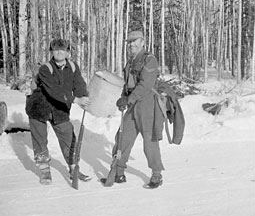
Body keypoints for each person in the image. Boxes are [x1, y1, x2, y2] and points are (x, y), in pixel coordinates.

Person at [102, 30, 165, 189]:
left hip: (147, 104)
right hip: (132, 104)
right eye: (129, 42)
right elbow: (127, 84)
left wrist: (128, 99)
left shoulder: (149, 60)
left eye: (134, 41)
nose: (131, 44)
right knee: (122, 138)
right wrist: (123, 97)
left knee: (150, 141)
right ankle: (118, 172)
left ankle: (156, 174)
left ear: (143, 42)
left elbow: (145, 85)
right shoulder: (130, 62)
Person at [25, 39, 91, 185]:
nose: (60, 52)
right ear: (51, 52)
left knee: (69, 138)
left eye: (63, 49)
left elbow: (79, 84)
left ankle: (74, 168)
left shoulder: (73, 67)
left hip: (59, 109)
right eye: (56, 50)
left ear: (68, 52)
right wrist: (75, 100)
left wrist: (83, 96)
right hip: (39, 107)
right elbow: (54, 90)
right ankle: (45, 172)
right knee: (40, 140)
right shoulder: (45, 69)